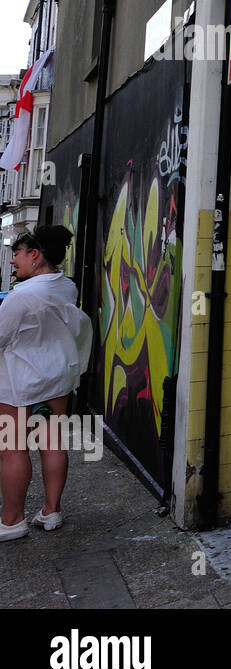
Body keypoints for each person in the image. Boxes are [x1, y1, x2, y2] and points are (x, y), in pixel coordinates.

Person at [0, 226, 92, 541]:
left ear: (35, 255)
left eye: (17, 254)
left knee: (11, 449)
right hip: (57, 378)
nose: (14, 261)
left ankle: (12, 520)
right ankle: (51, 511)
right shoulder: (65, 287)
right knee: (52, 443)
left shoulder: (22, 296)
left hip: (19, 383)